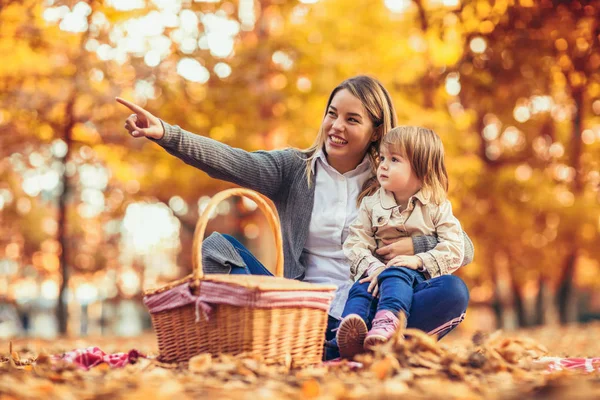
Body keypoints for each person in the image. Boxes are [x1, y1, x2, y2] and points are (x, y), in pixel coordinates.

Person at [116, 75, 473, 360]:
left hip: (373, 305)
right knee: (217, 248)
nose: (336, 126)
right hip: (300, 312)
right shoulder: (293, 170)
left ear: (375, 131)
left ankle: (359, 345)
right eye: (332, 113)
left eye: (352, 119)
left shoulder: (392, 177)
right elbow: (229, 160)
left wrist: (416, 243)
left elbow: (463, 247)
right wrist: (166, 133)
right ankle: (323, 348)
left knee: (452, 291)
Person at [334, 126, 465, 359]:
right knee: (361, 288)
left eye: (394, 159)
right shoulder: (371, 204)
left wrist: (417, 259)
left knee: (399, 273)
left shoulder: (436, 205)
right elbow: (355, 241)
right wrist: (373, 267)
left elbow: (455, 246)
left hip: (415, 279)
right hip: (376, 277)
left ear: (421, 169)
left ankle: (389, 323)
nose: (383, 165)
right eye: (382, 158)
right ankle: (349, 332)